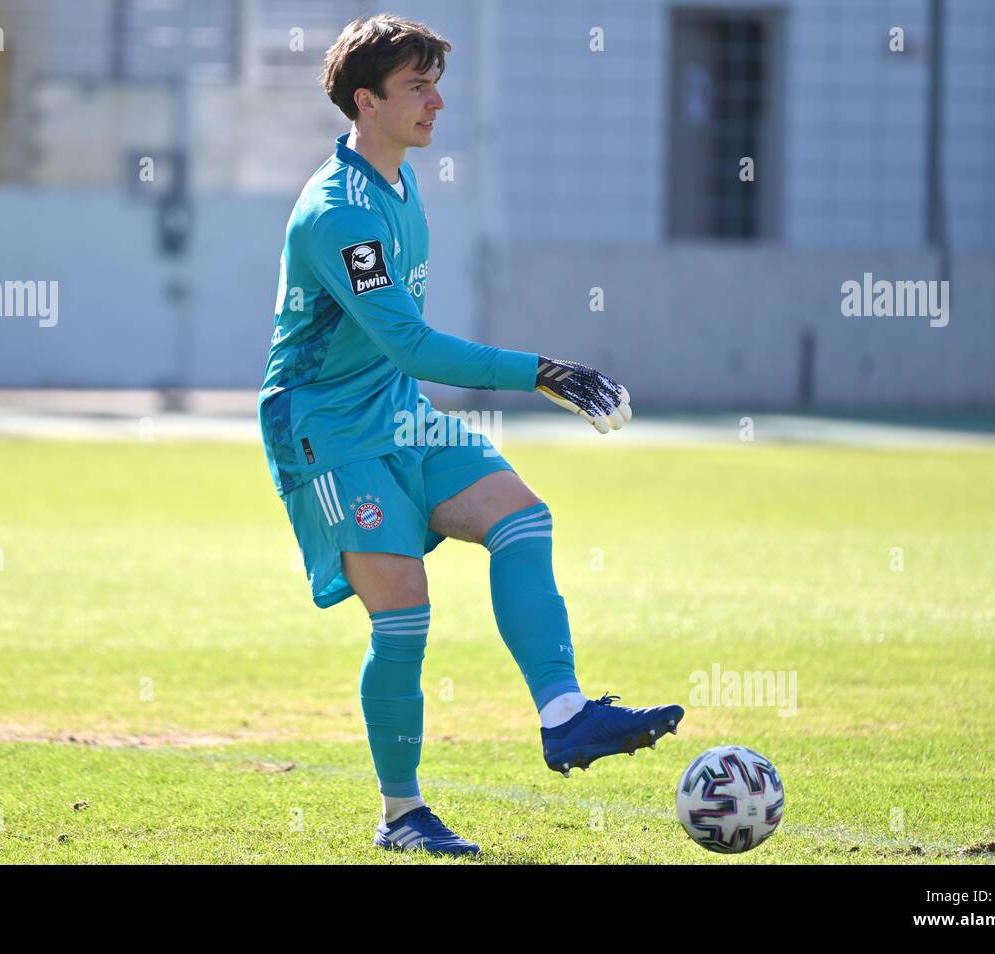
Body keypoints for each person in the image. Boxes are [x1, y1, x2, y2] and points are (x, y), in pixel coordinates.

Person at [258, 14, 683, 857]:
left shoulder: (399, 183)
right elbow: (412, 341)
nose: (438, 102)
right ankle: (402, 814)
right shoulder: (338, 212)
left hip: (394, 406)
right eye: (418, 87)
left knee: (523, 519)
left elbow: (400, 355)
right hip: (326, 430)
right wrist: (543, 370)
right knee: (405, 617)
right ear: (365, 100)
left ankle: (565, 716)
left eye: (435, 83)